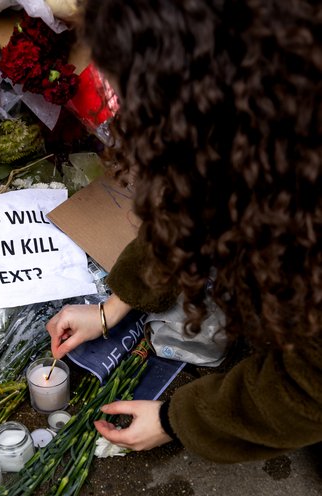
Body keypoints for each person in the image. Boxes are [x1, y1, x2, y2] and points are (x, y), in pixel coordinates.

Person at [46, 0, 322, 463]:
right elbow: (194, 201)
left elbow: (307, 390)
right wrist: (113, 308)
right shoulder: (257, 119)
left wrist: (178, 419)